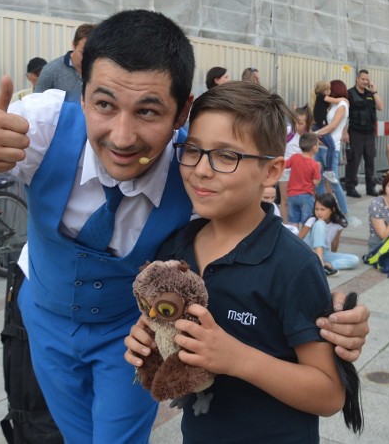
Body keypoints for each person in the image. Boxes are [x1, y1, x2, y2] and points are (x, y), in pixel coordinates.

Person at [0, 10, 369, 443]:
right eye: (104, 104)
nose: (121, 136)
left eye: (148, 112)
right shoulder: (42, 125)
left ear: (181, 113)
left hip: (130, 333)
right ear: (82, 91)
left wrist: (329, 311)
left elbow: (255, 236)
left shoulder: (194, 169)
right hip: (44, 317)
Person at [124, 82, 354, 442]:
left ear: (271, 171)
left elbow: (328, 394)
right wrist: (147, 338)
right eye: (193, 150)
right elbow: (164, 324)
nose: (201, 170)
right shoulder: (176, 248)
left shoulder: (293, 265)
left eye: (226, 156)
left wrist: (236, 358)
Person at [345, 69, 384, 198]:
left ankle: (370, 187)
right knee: (354, 161)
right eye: (363, 79)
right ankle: (350, 187)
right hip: (355, 132)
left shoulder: (370, 93)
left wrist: (375, 91)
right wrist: (345, 131)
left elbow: (380, 107)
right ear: (357, 79)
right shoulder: (350, 93)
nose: (365, 81)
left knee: (370, 160)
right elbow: (344, 114)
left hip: (369, 133)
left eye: (367, 79)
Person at [33, 22, 95, 103]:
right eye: (82, 53)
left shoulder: (100, 70)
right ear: (73, 45)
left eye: (92, 54)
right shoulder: (52, 70)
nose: (87, 58)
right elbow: (35, 104)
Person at [301, 193, 360, 275]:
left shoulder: (338, 224)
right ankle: (319, 264)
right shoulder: (312, 220)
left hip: (324, 253)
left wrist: (333, 258)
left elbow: (335, 242)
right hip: (308, 252)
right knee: (320, 223)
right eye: (316, 209)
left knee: (355, 260)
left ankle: (327, 266)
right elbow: (299, 238)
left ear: (332, 209)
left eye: (322, 209)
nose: (319, 212)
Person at [314, 80, 350, 214]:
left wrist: (315, 134)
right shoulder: (333, 105)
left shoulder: (342, 104)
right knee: (320, 182)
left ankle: (345, 213)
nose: (327, 91)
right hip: (321, 147)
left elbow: (333, 126)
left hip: (331, 147)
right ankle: (324, 210)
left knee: (334, 183)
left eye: (330, 88)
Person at [279, 107, 311, 224]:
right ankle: (286, 226)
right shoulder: (288, 131)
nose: (297, 125)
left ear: (307, 123)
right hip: (286, 171)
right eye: (295, 122)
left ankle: (300, 228)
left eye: (301, 123)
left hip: (301, 173)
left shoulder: (308, 136)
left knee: (300, 201)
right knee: (285, 199)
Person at [311, 80, 347, 183]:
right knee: (332, 146)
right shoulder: (322, 97)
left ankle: (328, 170)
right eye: (328, 89)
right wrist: (343, 99)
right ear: (324, 91)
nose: (330, 91)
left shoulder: (320, 98)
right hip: (318, 127)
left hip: (318, 126)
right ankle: (329, 170)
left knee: (329, 146)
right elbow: (335, 101)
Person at [285, 133, 322, 228]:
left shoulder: (294, 157)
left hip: (292, 194)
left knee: (293, 221)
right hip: (306, 195)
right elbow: (316, 182)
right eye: (318, 144)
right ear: (314, 148)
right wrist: (318, 169)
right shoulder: (314, 164)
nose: (319, 146)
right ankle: (304, 240)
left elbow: (285, 165)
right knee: (307, 222)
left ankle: (294, 239)